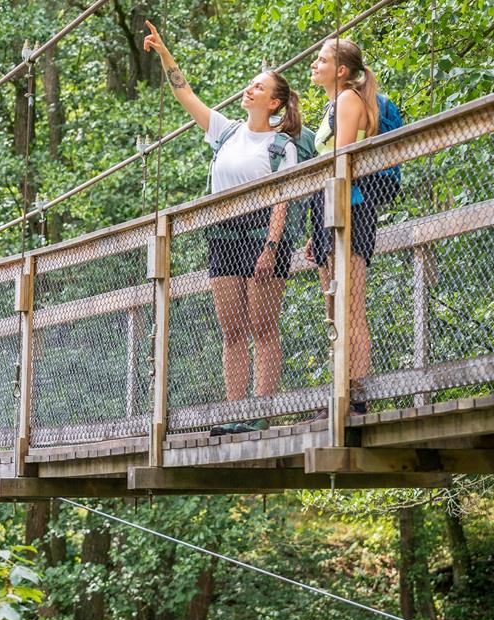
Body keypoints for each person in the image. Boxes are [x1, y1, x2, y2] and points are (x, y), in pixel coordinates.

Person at [142, 21, 302, 425]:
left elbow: (283, 197)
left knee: (263, 328)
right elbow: (185, 93)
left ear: (275, 104)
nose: (249, 90)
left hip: (264, 237)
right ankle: (235, 412)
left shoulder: (281, 145)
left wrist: (271, 246)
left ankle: (261, 412)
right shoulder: (225, 132)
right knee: (232, 331)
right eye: (250, 85)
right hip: (223, 235)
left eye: (258, 88)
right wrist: (164, 54)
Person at [306, 35, 380, 412]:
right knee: (333, 307)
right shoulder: (331, 105)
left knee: (351, 305)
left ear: (342, 71)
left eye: (321, 60)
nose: (314, 65)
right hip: (327, 211)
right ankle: (340, 389)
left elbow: (342, 157)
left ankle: (355, 392)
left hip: (351, 208)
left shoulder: (349, 99)